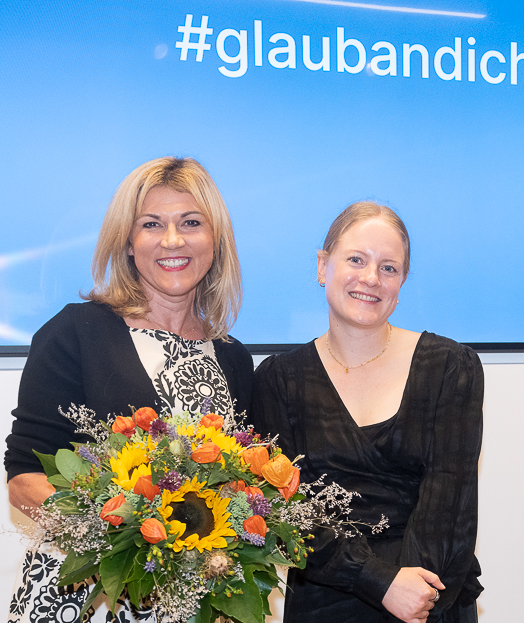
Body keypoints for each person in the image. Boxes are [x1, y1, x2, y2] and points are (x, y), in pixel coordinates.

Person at [5, 157, 254, 623]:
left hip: (195, 603)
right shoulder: (75, 332)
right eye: (151, 224)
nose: (172, 240)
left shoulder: (234, 358)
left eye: (191, 223)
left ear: (215, 239)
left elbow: (239, 490)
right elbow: (22, 480)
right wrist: (124, 537)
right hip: (83, 598)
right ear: (127, 241)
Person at [251, 201, 483, 623]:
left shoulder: (450, 367)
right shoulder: (278, 380)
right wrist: (379, 581)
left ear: (402, 280)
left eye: (388, 268)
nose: (371, 278)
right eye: (356, 259)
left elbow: (451, 504)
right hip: (325, 600)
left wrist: (413, 596)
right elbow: (285, 510)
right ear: (322, 266)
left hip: (429, 600)